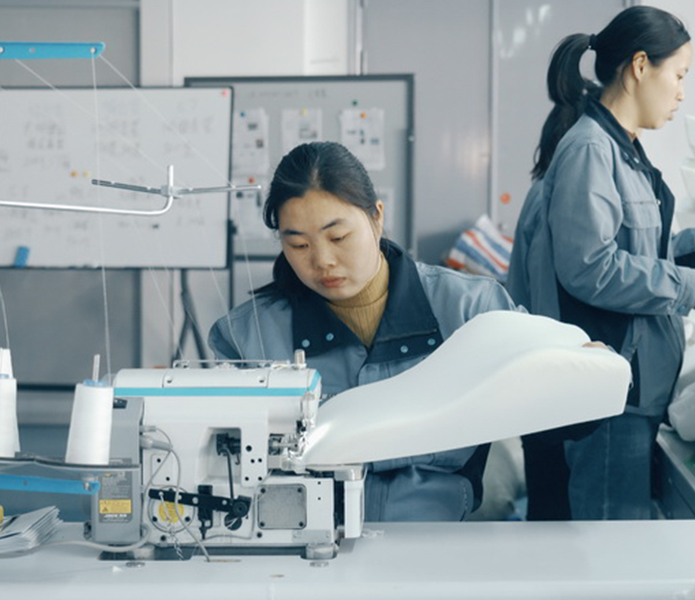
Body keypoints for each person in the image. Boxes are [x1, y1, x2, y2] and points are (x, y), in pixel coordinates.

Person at [507, 6, 695, 520]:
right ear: (640, 66)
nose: (682, 92)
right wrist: (692, 288)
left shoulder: (624, 151)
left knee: (618, 538)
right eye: (678, 75)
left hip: (633, 390)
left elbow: (647, 250)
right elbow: (590, 267)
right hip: (611, 389)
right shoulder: (590, 150)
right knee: (609, 545)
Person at [208, 141, 521, 522]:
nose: (322, 260)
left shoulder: (471, 308)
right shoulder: (248, 336)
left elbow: (550, 396)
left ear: (377, 218)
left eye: (338, 237)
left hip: (440, 538)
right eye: (299, 245)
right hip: (306, 541)